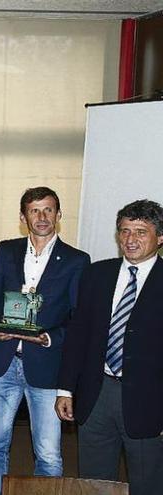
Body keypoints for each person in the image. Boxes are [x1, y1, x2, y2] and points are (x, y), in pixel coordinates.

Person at [0, 187, 89, 495]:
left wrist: (49, 337)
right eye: (34, 210)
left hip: (46, 369)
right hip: (2, 364)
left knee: (49, 454)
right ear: (23, 216)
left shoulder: (76, 260)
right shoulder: (6, 250)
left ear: (58, 215)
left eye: (48, 210)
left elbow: (77, 318)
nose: (41, 217)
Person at [56, 199, 163, 495]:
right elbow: (78, 334)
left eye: (141, 232)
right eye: (125, 231)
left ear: (160, 238)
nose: (131, 239)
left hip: (149, 403)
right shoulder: (97, 274)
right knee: (94, 484)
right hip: (95, 395)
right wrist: (66, 389)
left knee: (148, 484)